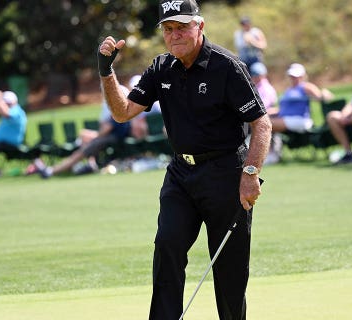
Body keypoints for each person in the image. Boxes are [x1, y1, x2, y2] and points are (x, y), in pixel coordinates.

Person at [97, 1, 272, 319]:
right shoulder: (161, 67)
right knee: (167, 246)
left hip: (226, 174)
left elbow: (262, 124)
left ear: (199, 26)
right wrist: (106, 70)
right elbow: (123, 112)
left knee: (229, 269)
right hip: (181, 174)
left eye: (182, 27)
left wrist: (250, 172)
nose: (174, 35)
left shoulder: (227, 66)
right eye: (168, 29)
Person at [32, 85, 134, 178]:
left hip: (113, 138)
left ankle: (51, 171)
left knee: (81, 151)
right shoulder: (119, 107)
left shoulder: (119, 108)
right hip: (111, 137)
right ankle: (86, 165)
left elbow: (106, 129)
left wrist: (94, 136)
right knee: (83, 140)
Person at [249, 62, 280, 164]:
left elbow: (262, 107)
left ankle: (270, 154)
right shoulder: (256, 87)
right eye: (254, 75)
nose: (256, 77)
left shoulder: (266, 88)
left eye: (258, 75)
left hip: (266, 117)